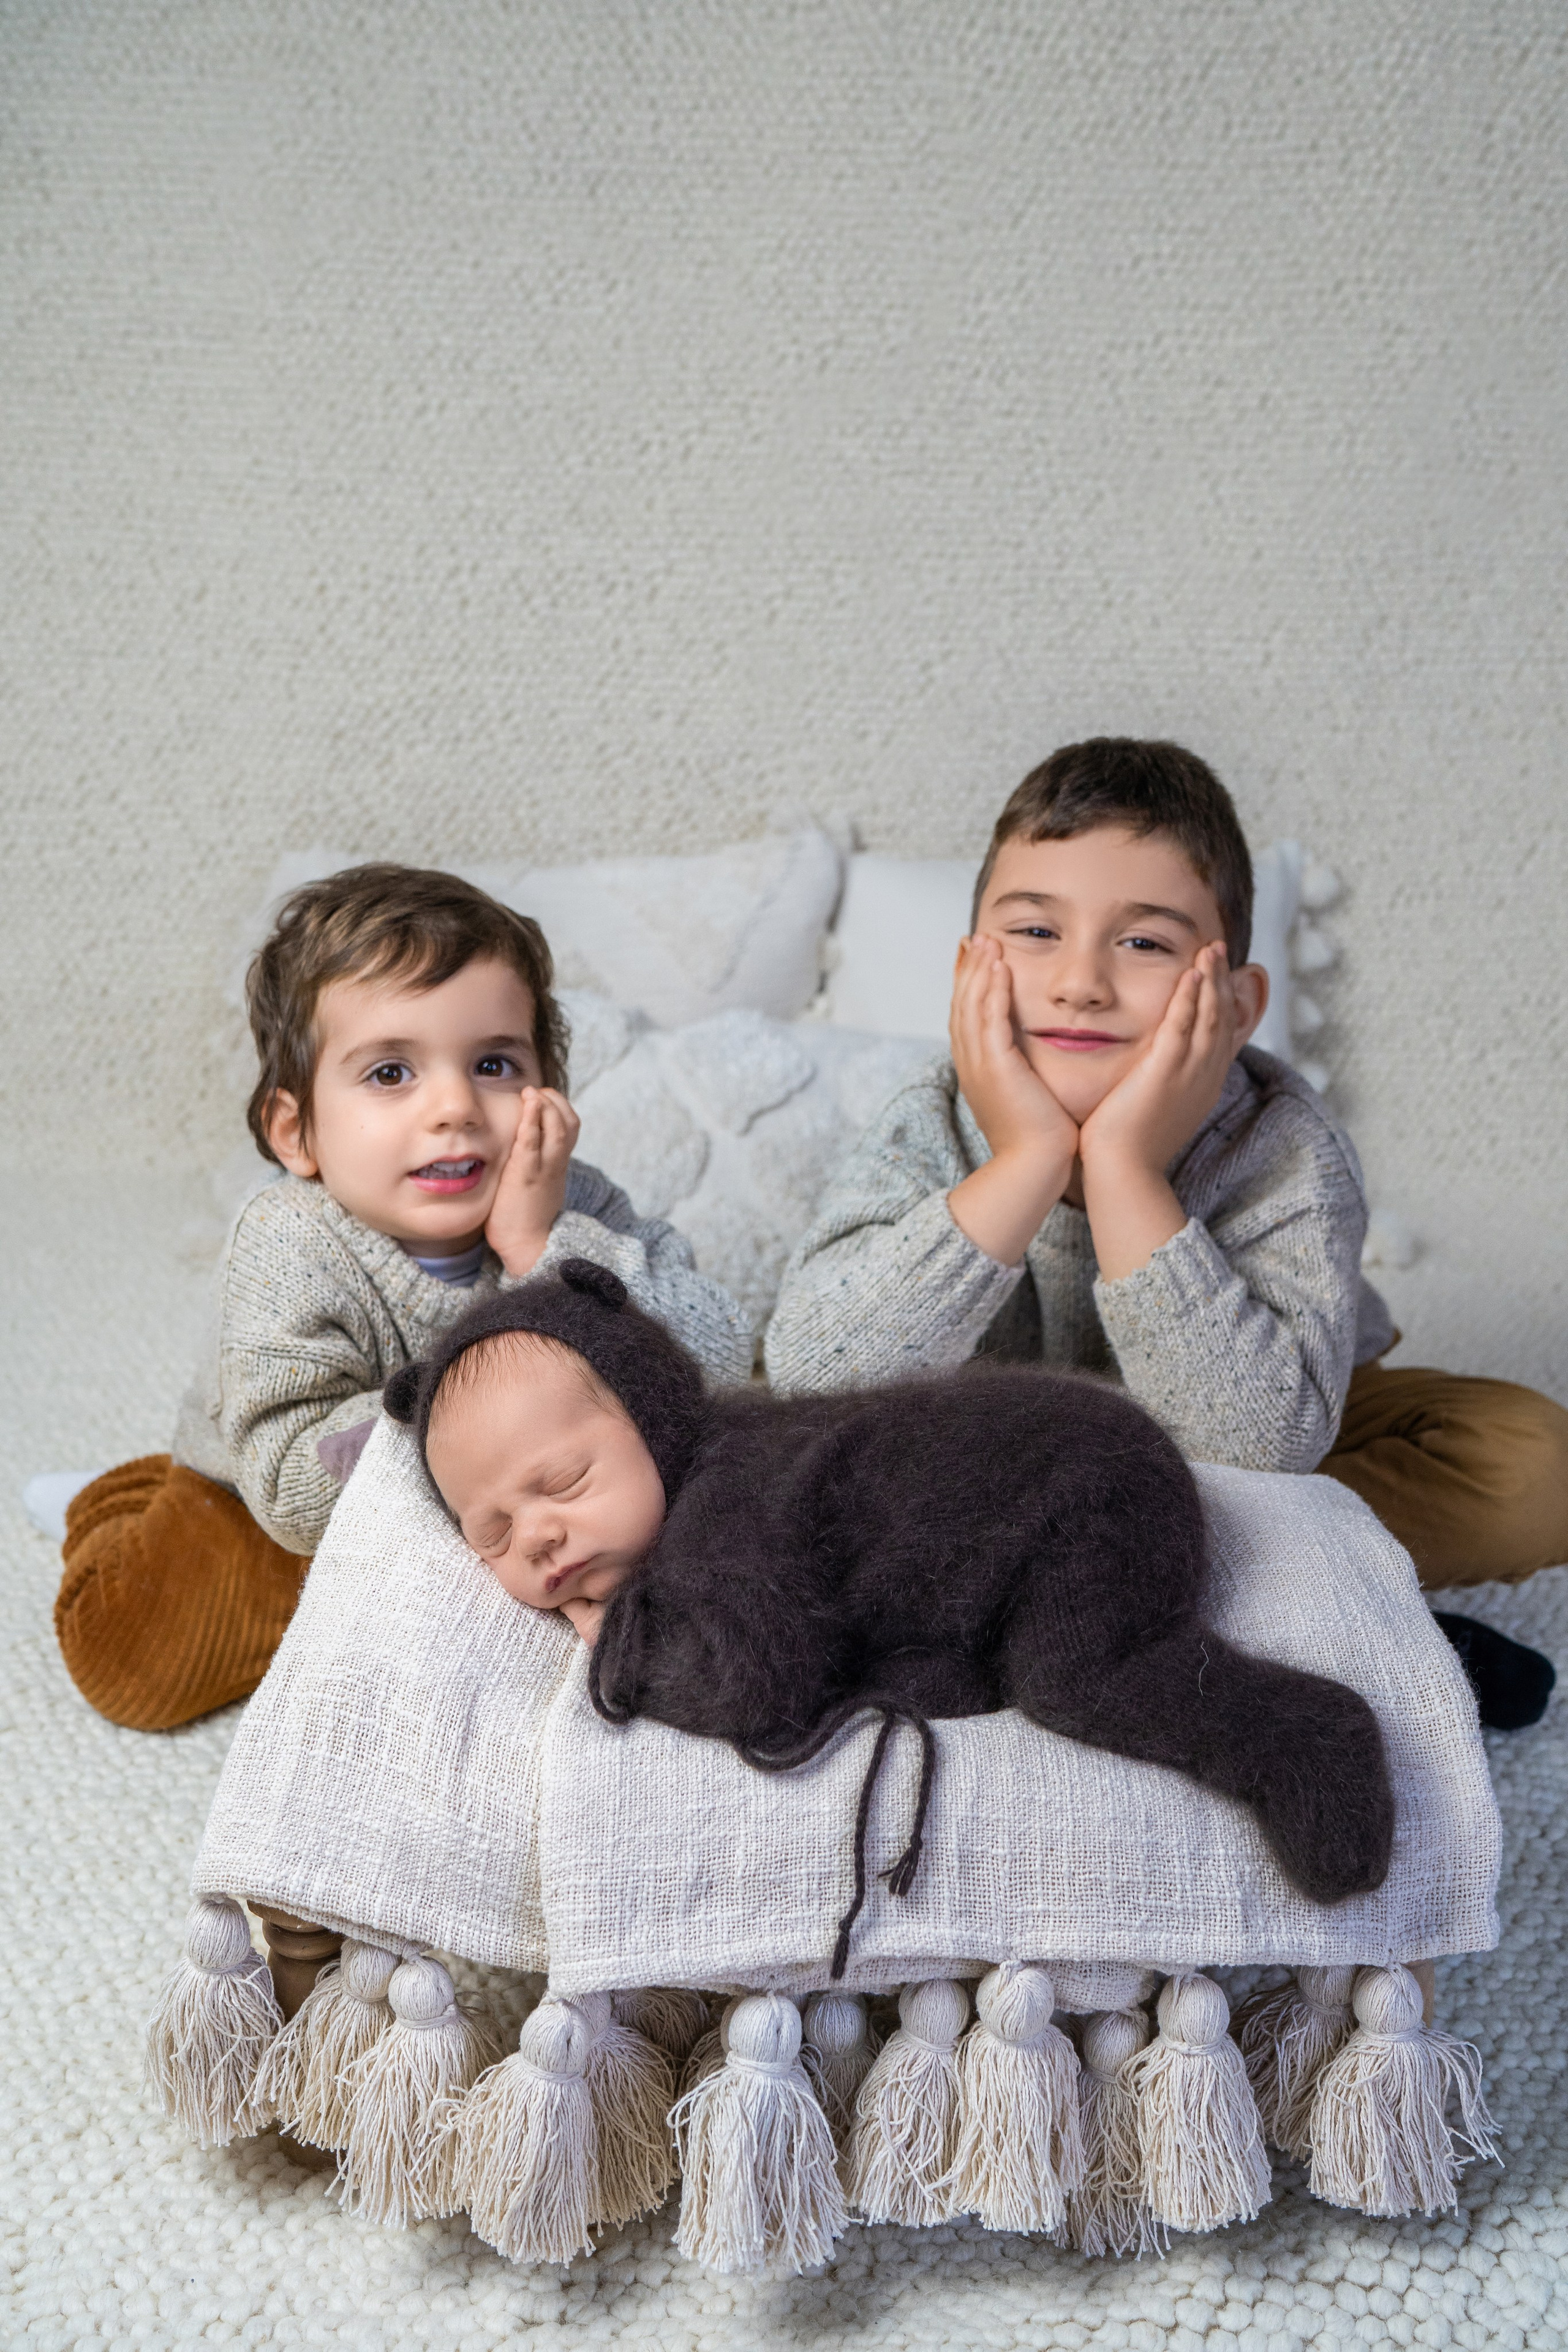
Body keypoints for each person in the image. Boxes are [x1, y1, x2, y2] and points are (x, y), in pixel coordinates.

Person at [764, 738, 1564, 1728]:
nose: (1081, 983)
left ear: (1235, 1004)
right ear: (971, 966)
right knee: (802, 1498)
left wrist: (1125, 1173)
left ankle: (1146, 1595)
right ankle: (1309, 1616)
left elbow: (1259, 1444)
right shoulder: (927, 1117)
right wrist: (1024, 1165)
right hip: (1011, 1448)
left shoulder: (1286, 1147)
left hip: (1257, 1424)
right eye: (1034, 932)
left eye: (1143, 942)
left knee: (1535, 1466)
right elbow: (812, 1372)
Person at [386, 1260, 1396, 1978]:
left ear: (654, 1422)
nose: (540, 1539)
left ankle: (1307, 1735)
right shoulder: (699, 1486)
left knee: (1079, 1677)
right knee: (945, 1674)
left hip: (1083, 1494)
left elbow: (756, 1685)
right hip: (1010, 1525)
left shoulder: (725, 1502)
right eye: (492, 1531)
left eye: (561, 1483)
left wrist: (628, 1649)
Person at [54, 864, 752, 1732]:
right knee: (136, 1661)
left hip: (530, 1510)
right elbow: (290, 1493)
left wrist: (541, 1253)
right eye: (390, 1074)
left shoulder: (578, 1209)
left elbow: (718, 1367)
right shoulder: (289, 1240)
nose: (455, 1106)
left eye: (495, 1064)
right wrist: (479, 1414)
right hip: (285, 1502)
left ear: (549, 1093)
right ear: (296, 1131)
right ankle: (119, 1499)